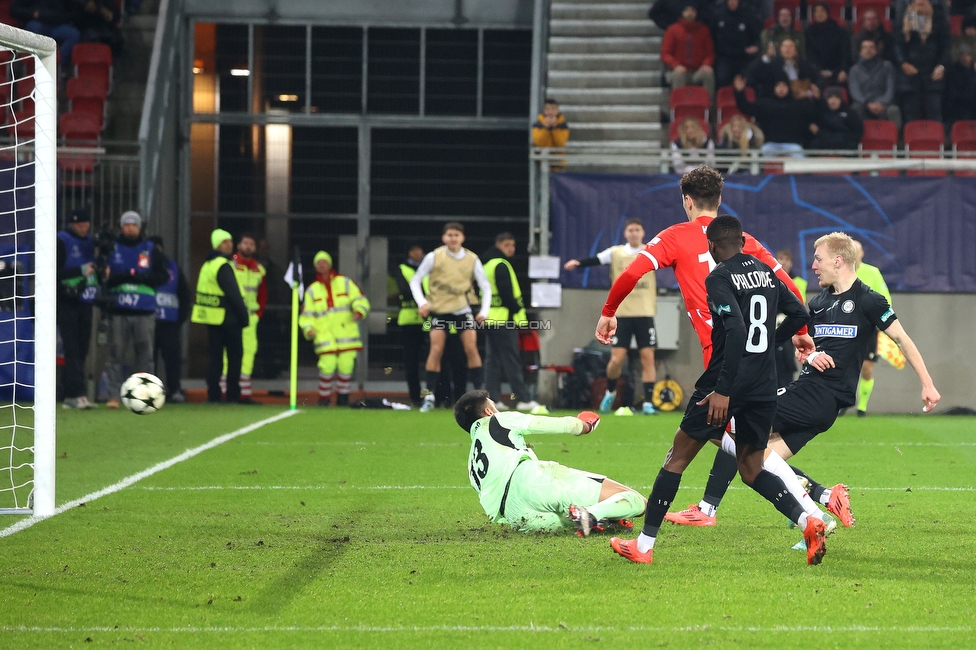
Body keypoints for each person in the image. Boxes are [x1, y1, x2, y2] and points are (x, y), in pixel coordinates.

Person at [669, 232, 941, 530]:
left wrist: (927, 384)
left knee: (731, 423)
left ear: (838, 261)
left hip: (821, 394)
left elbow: (902, 339)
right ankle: (823, 503)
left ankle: (708, 509)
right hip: (815, 397)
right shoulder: (819, 302)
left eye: (818, 259)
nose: (813, 266)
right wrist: (809, 356)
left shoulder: (868, 300)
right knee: (756, 460)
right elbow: (807, 347)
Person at [605, 216, 829, 566]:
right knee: (752, 469)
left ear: (710, 245)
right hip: (764, 384)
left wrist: (723, 391)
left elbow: (737, 332)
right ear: (742, 241)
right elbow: (800, 311)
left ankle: (643, 547)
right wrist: (770, 344)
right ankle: (809, 520)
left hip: (726, 381)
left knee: (676, 458)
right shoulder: (766, 272)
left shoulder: (718, 277)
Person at [454, 390, 646, 535]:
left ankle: (596, 517)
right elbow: (553, 424)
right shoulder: (498, 419)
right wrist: (583, 426)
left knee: (580, 519)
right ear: (488, 411)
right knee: (637, 501)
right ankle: (593, 514)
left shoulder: (472, 466)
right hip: (531, 481)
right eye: (494, 406)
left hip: (518, 517)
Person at [564, 219, 659, 415]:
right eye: (630, 230)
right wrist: (578, 262)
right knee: (616, 359)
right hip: (622, 314)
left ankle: (649, 403)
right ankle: (610, 391)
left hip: (644, 313)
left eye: (637, 230)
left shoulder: (651, 252)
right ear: (625, 233)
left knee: (647, 358)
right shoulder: (616, 252)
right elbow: (597, 259)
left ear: (643, 233)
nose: (634, 233)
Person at [410, 222, 492, 413]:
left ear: (462, 238)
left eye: (456, 235)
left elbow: (485, 286)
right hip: (439, 310)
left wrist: (484, 311)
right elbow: (415, 280)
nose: (452, 238)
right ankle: (429, 396)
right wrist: (422, 302)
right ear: (443, 237)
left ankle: (482, 397)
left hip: (462, 310)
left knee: (471, 348)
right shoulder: (434, 256)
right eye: (449, 235)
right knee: (436, 349)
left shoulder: (472, 259)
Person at [103, 211, 168, 409]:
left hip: (144, 312)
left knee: (145, 356)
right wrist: (131, 274)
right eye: (127, 224)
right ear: (121, 227)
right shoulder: (112, 248)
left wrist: (134, 277)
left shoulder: (150, 250)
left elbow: (162, 276)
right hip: (119, 311)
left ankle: (146, 396)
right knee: (116, 354)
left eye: (134, 225)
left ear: (140, 228)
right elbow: (106, 277)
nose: (130, 228)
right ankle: (113, 396)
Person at [300, 251, 370, 406]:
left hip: (347, 333)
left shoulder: (345, 282)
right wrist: (308, 329)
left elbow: (360, 299)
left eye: (324, 261)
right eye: (318, 262)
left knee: (346, 367)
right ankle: (324, 399)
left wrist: (359, 311)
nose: (321, 264)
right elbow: (307, 314)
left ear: (330, 264)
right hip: (324, 335)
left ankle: (342, 399)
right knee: (327, 366)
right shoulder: (312, 290)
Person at [481, 233, 539, 411]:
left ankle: (492, 399)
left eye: (513, 245)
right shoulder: (501, 264)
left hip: (491, 318)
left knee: (493, 361)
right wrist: (515, 308)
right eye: (507, 245)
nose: (511, 249)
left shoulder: (487, 264)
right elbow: (506, 291)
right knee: (511, 360)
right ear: (498, 245)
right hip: (504, 319)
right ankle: (523, 398)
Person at [191, 229, 249, 404]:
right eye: (224, 242)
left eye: (230, 241)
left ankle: (214, 394)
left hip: (212, 318)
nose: (229, 244)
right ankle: (232, 394)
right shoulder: (223, 265)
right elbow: (233, 294)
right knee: (234, 357)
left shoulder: (207, 265)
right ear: (217, 244)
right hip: (228, 318)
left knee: (215, 358)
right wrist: (243, 317)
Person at [57, 207, 98, 409]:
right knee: (72, 348)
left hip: (86, 301)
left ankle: (68, 394)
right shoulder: (61, 241)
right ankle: (76, 394)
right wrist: (82, 271)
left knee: (82, 348)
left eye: (86, 224)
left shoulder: (92, 242)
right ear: (72, 224)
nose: (83, 228)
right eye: (79, 225)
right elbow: (54, 272)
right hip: (67, 302)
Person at [221, 233, 267, 404]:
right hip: (232, 316)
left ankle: (244, 394)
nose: (248, 246)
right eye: (245, 243)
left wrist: (258, 314)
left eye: (251, 244)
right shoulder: (229, 265)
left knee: (248, 353)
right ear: (239, 246)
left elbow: (262, 294)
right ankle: (226, 393)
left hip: (250, 318)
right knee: (229, 353)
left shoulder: (259, 270)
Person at [852, 239, 892, 417]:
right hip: (845, 328)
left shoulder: (872, 272)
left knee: (867, 368)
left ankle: (862, 408)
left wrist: (878, 320)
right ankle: (839, 402)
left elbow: (885, 298)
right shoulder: (841, 272)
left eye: (857, 250)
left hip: (867, 329)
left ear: (862, 253)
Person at [149, 236, 191, 404]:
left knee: (172, 359)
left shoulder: (173, 267)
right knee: (148, 358)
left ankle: (174, 390)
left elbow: (184, 294)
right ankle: (149, 391)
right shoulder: (144, 267)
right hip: (148, 320)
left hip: (169, 322)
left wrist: (179, 319)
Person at [734, 73, 818, 154]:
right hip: (770, 144)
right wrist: (740, 92)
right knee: (762, 155)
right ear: (774, 87)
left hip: (792, 145)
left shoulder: (797, 105)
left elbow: (813, 113)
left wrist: (816, 99)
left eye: (784, 86)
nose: (781, 88)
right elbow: (747, 108)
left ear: (788, 88)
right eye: (778, 86)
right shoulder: (765, 104)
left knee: (800, 159)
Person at [895, 0, 950, 123]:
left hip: (932, 72)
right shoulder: (904, 20)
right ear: (912, 5)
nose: (920, 6)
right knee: (910, 112)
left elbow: (946, 46)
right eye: (918, 4)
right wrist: (903, 62)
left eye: (923, 4)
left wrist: (941, 66)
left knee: (934, 110)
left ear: (929, 5)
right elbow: (897, 45)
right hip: (910, 73)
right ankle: (910, 140)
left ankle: (936, 140)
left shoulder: (939, 20)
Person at [661, 1, 716, 100]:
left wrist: (706, 64)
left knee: (708, 74)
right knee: (678, 76)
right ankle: (678, 108)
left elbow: (710, 53)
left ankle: (707, 107)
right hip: (678, 70)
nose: (690, 13)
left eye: (692, 10)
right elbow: (665, 54)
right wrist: (676, 65)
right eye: (687, 10)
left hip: (697, 71)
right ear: (682, 12)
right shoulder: (673, 30)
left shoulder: (703, 30)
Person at [394, 244, 428, 407]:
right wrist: (424, 294)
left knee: (433, 360)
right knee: (411, 363)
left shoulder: (429, 267)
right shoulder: (402, 268)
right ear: (409, 252)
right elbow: (405, 290)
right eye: (413, 250)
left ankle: (433, 396)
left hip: (428, 320)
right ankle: (416, 398)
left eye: (419, 249)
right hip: (409, 321)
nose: (417, 252)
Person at [10, 0, 81, 71]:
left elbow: (73, 10)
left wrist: (62, 17)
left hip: (57, 25)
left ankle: (58, 63)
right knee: (34, 28)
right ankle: (38, 66)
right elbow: (14, 10)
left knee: (73, 34)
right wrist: (32, 13)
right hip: (38, 23)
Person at [849, 39, 902, 128]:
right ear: (860, 51)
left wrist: (882, 102)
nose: (868, 50)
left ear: (877, 50)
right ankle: (861, 138)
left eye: (871, 47)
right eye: (865, 47)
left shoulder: (887, 66)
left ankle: (894, 139)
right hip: (864, 104)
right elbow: (855, 91)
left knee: (894, 110)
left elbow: (891, 87)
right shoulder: (854, 70)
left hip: (884, 103)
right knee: (855, 108)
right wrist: (867, 103)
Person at [710, 0, 762, 88]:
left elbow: (756, 37)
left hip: (744, 57)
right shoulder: (718, 14)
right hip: (724, 57)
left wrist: (755, 46)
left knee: (750, 79)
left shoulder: (748, 14)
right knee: (722, 78)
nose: (732, 2)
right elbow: (712, 36)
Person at [774, 249, 806, 388]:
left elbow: (798, 305)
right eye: (780, 258)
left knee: (787, 364)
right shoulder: (769, 280)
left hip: (788, 331)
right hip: (770, 330)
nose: (782, 262)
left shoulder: (799, 282)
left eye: (786, 259)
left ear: (791, 263)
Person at [805, 2, 852, 88]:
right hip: (817, 71)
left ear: (827, 13)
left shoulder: (840, 32)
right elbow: (810, 55)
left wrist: (842, 70)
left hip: (837, 70)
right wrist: (819, 70)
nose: (819, 14)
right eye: (816, 11)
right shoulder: (809, 33)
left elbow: (845, 54)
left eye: (822, 11)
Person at [809, 86, 864, 150]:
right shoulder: (821, 112)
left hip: (844, 142)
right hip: (825, 141)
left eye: (836, 98)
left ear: (840, 99)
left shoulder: (850, 113)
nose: (833, 101)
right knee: (814, 144)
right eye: (830, 98)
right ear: (827, 99)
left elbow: (858, 131)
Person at [944, 44, 976, 122]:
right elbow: (952, 94)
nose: (965, 58)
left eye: (968, 55)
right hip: (959, 107)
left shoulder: (973, 71)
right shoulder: (953, 71)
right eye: (963, 55)